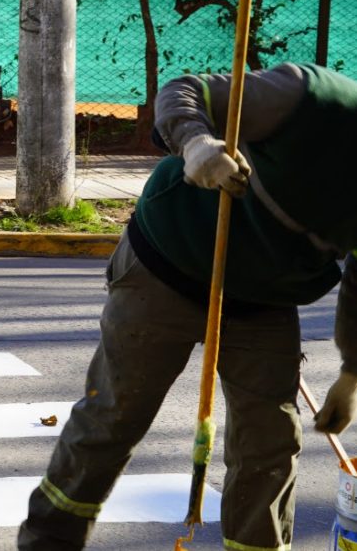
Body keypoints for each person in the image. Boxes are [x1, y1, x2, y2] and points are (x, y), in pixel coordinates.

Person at [18, 63, 357, 550]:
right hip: (168, 261)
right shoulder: (313, 98)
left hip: (265, 300)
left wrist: (351, 371)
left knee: (269, 445)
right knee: (114, 419)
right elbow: (185, 91)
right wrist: (198, 144)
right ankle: (47, 541)